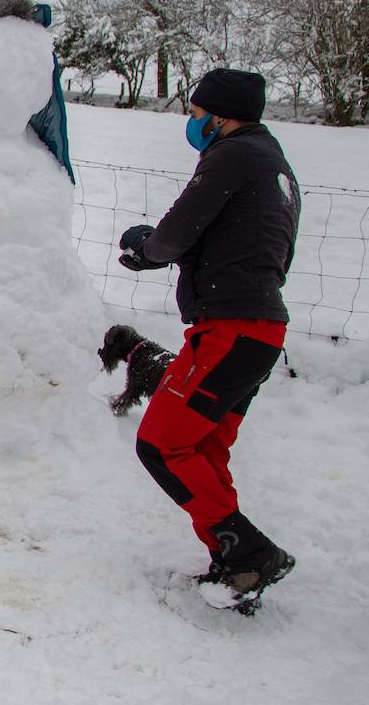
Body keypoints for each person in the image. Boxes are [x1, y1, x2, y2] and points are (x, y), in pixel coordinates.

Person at [116, 67, 301, 612]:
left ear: (220, 116)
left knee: (161, 444)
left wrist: (149, 247)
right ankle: (233, 564)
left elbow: (179, 229)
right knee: (202, 447)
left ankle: (249, 554)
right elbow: (252, 246)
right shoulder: (275, 166)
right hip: (259, 327)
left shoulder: (232, 155)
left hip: (231, 328)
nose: (192, 125)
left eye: (196, 115)